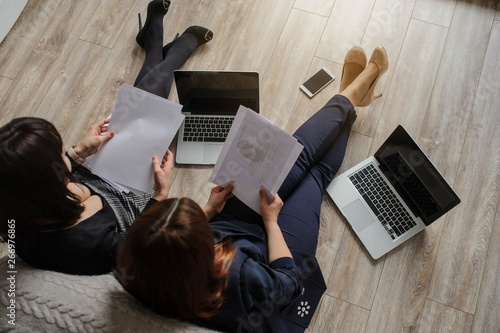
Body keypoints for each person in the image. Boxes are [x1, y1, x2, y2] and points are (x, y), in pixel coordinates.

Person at [115, 45, 389, 332]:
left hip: (228, 232)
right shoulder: (235, 278)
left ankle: (352, 95)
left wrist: (207, 208)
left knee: (291, 156)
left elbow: (152, 226)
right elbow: (289, 283)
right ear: (202, 248)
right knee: (314, 176)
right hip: (270, 263)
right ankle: (357, 91)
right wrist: (271, 222)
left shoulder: (131, 253)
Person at [0, 0, 213, 275]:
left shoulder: (17, 201)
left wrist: (80, 152)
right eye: (60, 151)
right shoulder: (88, 245)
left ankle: (158, 43)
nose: (67, 149)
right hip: (134, 201)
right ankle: (159, 44)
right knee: (145, 106)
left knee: (141, 106)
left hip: (101, 172)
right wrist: (161, 195)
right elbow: (143, 243)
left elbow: (44, 171)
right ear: (47, 182)